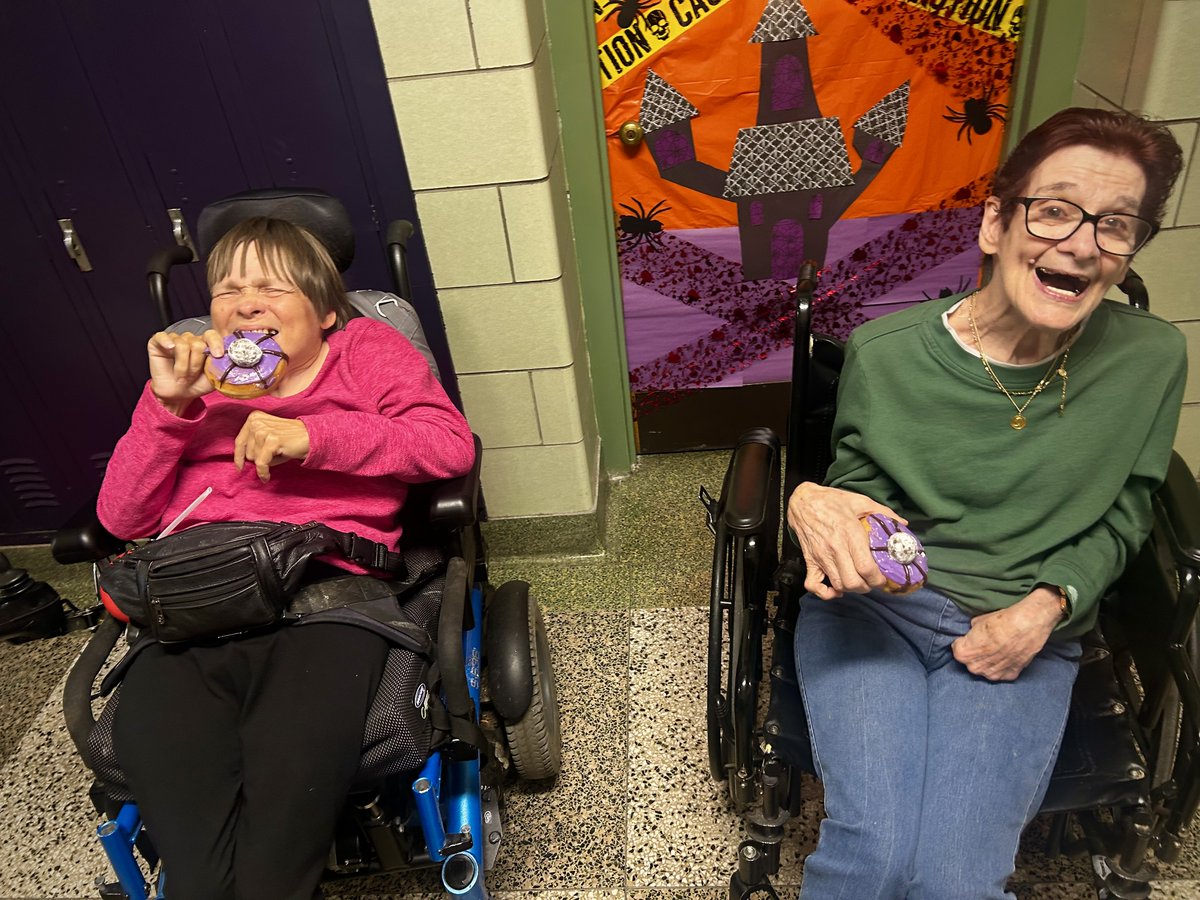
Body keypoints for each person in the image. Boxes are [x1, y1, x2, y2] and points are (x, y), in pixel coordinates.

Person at [785, 107, 1187, 899]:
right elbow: (866, 496)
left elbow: (1129, 508)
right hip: (882, 613)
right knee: (873, 854)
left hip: (1027, 630)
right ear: (997, 224)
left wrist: (1044, 608)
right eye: (1056, 210)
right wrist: (819, 503)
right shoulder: (889, 353)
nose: (1080, 243)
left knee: (956, 880)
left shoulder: (1153, 358)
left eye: (1116, 225)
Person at [96, 216, 475, 899]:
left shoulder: (366, 349)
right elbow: (120, 518)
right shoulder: (192, 371)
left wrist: (311, 436)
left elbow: (447, 445)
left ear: (326, 311)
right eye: (228, 287)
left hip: (323, 600)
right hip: (190, 602)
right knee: (196, 876)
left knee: (275, 862)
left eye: (271, 286)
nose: (245, 302)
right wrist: (165, 408)